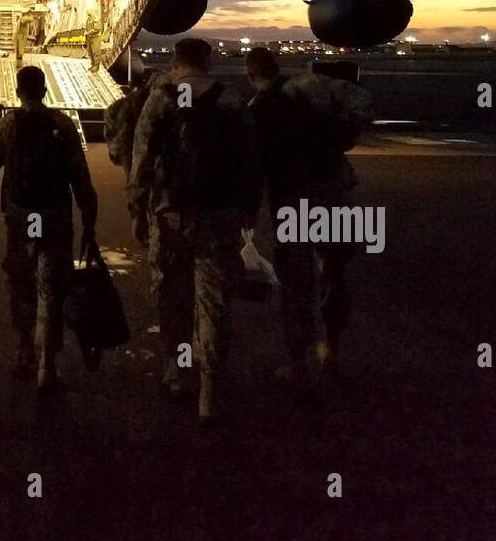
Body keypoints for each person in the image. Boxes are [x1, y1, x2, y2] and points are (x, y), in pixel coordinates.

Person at [128, 37, 262, 422]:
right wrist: (248, 212)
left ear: (176, 61)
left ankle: (177, 369)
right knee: (213, 301)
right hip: (220, 216)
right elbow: (251, 162)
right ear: (208, 61)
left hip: (172, 213)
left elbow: (142, 156)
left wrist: (137, 207)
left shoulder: (164, 98)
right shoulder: (231, 100)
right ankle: (209, 390)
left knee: (172, 295)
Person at [246, 48, 370, 389]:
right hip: (337, 192)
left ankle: (298, 366)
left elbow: (255, 169)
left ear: (251, 74)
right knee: (336, 274)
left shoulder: (256, 111)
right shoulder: (312, 86)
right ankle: (332, 354)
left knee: (296, 286)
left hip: (293, 201)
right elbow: (361, 102)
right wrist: (340, 137)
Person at [0, 64, 98, 391]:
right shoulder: (62, 124)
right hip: (54, 214)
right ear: (43, 91)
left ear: (18, 91)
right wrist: (90, 218)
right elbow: (80, 177)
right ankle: (48, 363)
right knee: (51, 285)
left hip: (21, 214)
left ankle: (24, 346)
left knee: (21, 280)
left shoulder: (7, 125)